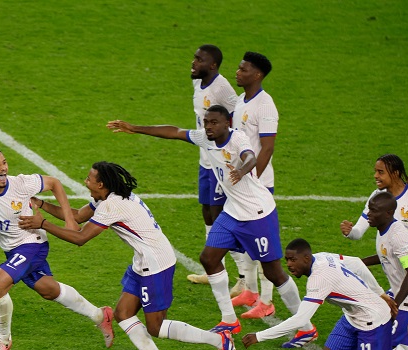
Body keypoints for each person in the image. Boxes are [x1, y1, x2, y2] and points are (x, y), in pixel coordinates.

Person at [107, 105, 317, 347]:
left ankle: (306, 328)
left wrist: (240, 170)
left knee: (273, 272)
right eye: (206, 122)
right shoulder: (205, 139)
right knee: (208, 258)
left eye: (213, 122)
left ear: (227, 123)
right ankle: (229, 320)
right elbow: (174, 132)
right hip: (232, 212)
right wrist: (134, 128)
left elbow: (249, 156)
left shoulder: (236, 138)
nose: (208, 126)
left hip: (258, 214)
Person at [18, 161, 235, 350]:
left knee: (156, 326)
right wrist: (42, 204)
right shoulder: (109, 198)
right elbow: (76, 216)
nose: (85, 182)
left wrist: (43, 224)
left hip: (156, 262)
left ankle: (219, 340)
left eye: (89, 179)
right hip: (143, 260)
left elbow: (80, 238)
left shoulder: (112, 205)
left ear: (101, 184)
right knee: (123, 313)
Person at [0, 147, 114, 350]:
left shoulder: (21, 183)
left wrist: (70, 219)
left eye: (4, 163)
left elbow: (54, 183)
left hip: (32, 243)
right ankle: (100, 315)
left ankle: (3, 341)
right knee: (48, 290)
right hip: (12, 250)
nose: (3, 168)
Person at [188, 51, 277, 322]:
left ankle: (267, 301)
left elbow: (267, 146)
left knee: (264, 248)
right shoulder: (240, 101)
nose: (237, 73)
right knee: (244, 243)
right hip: (238, 185)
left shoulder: (265, 104)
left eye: (243, 69)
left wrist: (254, 181)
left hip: (256, 185)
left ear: (258, 74)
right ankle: (250, 292)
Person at [242, 238, 393, 349]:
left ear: (306, 259)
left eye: (293, 260)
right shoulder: (322, 256)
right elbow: (357, 264)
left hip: (373, 321)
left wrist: (259, 336)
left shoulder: (319, 279)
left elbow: (301, 320)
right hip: (352, 317)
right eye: (287, 260)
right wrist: (380, 293)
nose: (289, 265)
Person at [185, 45, 244, 298]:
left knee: (222, 217)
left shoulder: (222, 88)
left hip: (221, 161)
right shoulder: (198, 83)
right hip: (204, 159)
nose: (193, 62)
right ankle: (214, 271)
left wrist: (234, 156)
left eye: (199, 59)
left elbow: (238, 118)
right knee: (208, 213)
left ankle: (243, 278)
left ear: (213, 65)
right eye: (195, 57)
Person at [343, 191, 408, 349]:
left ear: (388, 213)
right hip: (407, 295)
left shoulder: (398, 236)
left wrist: (395, 305)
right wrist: (359, 263)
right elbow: (386, 254)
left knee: (388, 343)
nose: (369, 214)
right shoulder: (385, 229)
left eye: (374, 210)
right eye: (369, 209)